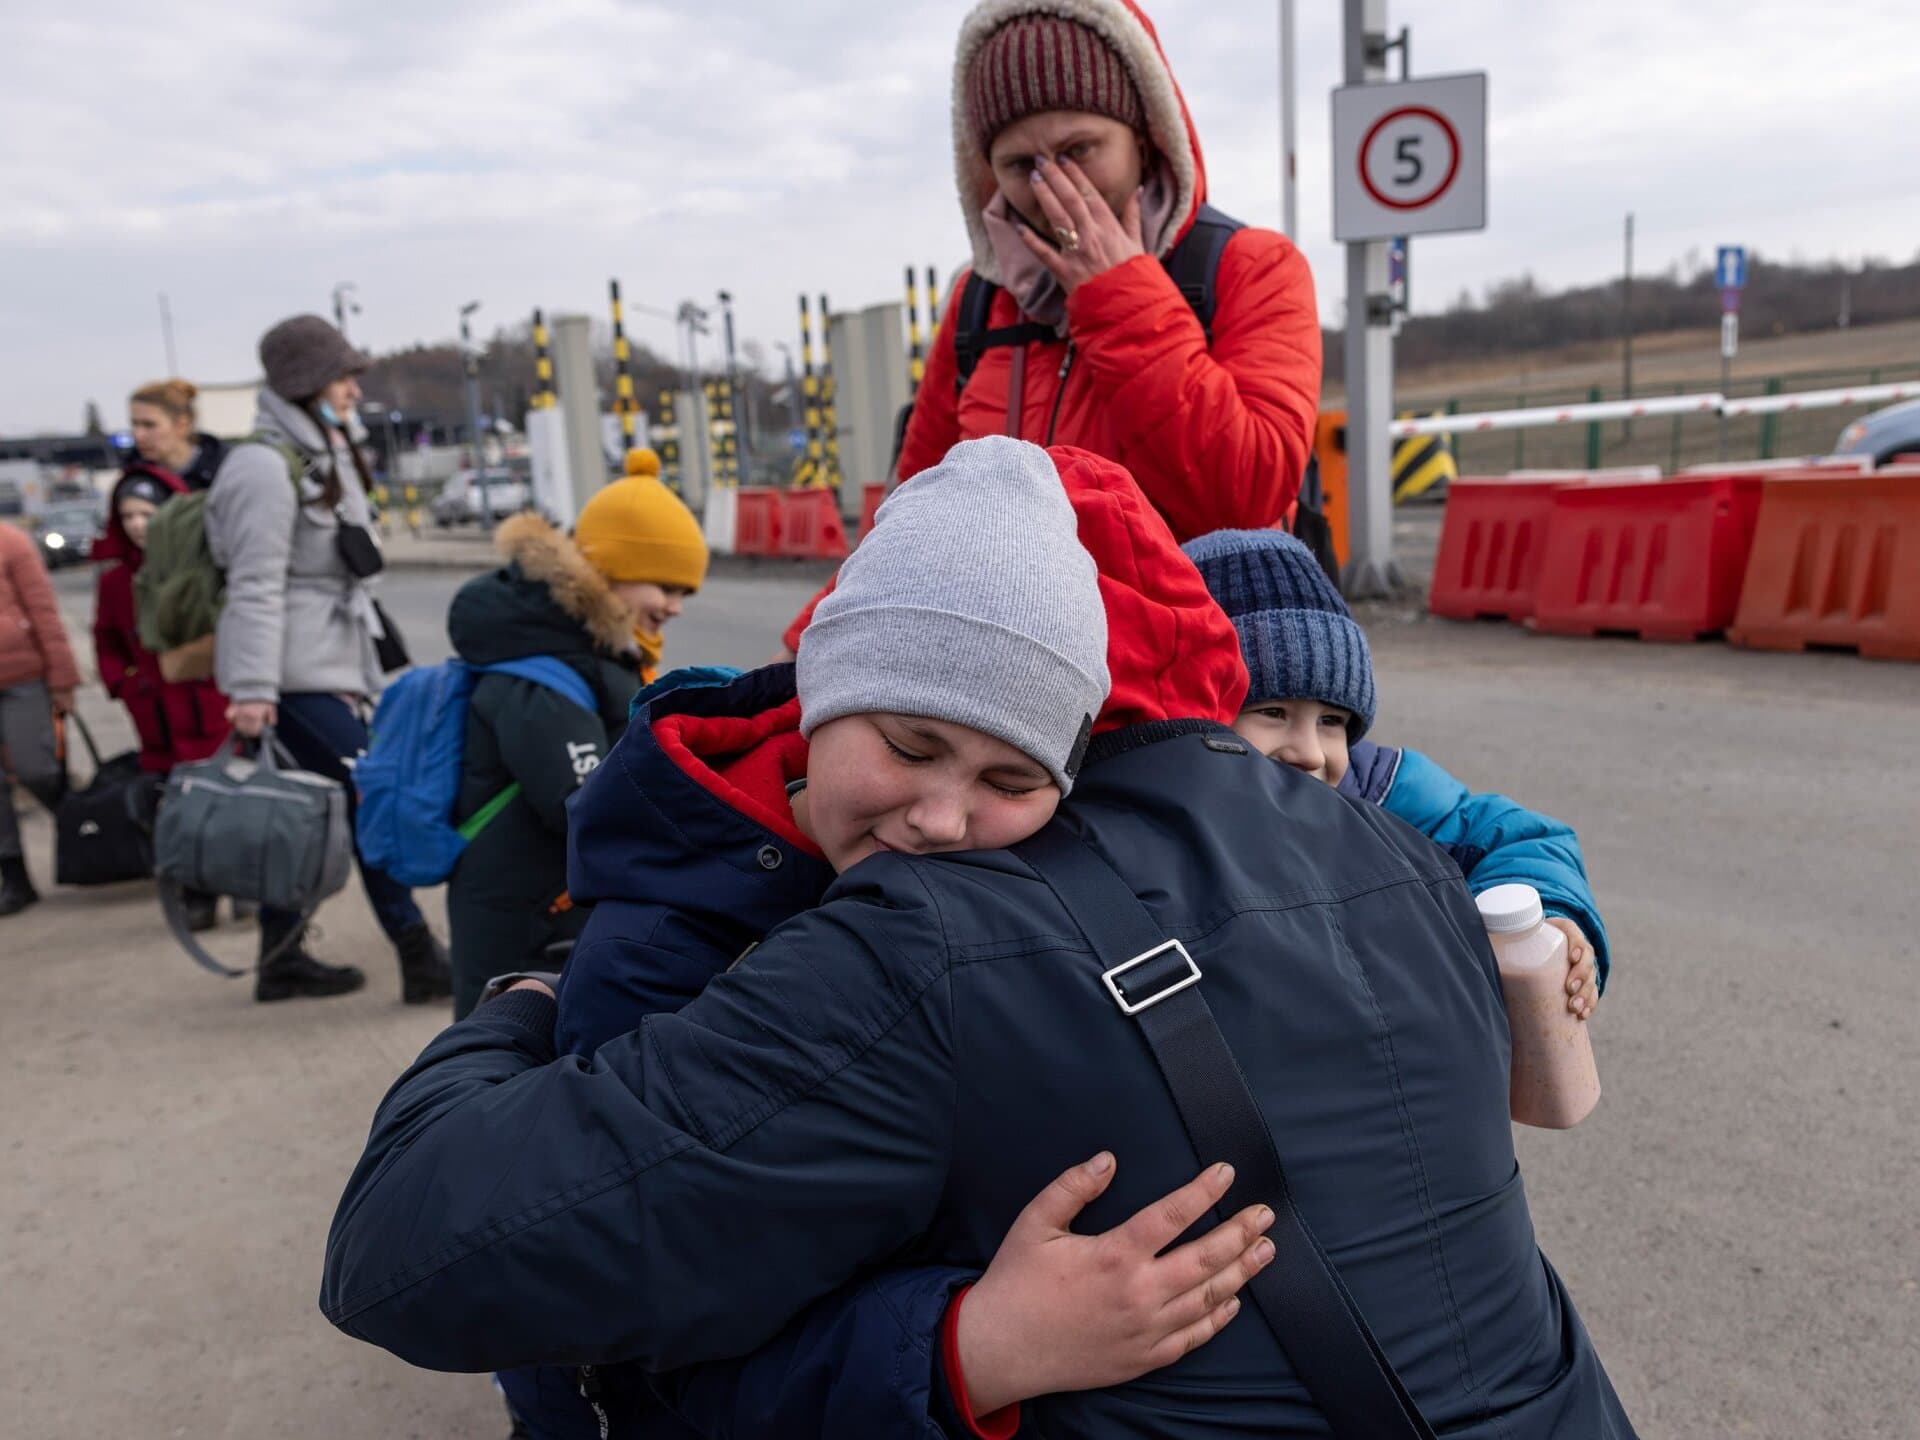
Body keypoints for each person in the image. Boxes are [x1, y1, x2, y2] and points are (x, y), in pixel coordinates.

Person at [322, 440, 1634, 1437]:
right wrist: (535, 1007)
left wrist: (957, 1350)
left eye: (1013, 777)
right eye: (906, 743)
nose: (942, 816)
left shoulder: (925, 943)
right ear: (824, 688)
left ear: (1082, 759)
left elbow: (434, 1267)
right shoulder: (1384, 855)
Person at [779, 0, 1322, 654]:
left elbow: (1245, 496)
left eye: (1078, 150)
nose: (1050, 189)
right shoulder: (980, 303)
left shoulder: (1250, 268)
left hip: (1202, 684)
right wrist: (803, 651)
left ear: (1145, 138)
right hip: (1017, 678)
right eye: (1019, 165)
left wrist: (1119, 295)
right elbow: (909, 522)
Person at [1183, 528, 1609, 1013]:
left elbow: (1514, 838)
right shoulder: (1166, 825)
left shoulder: (1377, 792)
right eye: (1272, 713)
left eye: (1331, 721)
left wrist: (1548, 915)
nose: (1310, 753)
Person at [206, 314, 451, 1004]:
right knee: (369, 797)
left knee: (314, 810)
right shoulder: (263, 465)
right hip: (288, 674)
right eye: (343, 376)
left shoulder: (324, 450)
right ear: (308, 382)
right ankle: (419, 955)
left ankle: (281, 959)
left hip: (327, 664)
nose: (353, 389)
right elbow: (253, 584)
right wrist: (254, 688)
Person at [445, 454, 707, 1020]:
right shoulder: (542, 668)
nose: (676, 606)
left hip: (551, 898)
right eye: (665, 585)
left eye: (685, 591)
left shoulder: (588, 650)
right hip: (523, 910)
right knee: (500, 1050)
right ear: (611, 567)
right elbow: (581, 800)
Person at [93, 382, 236, 931]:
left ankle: (239, 880)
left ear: (183, 423)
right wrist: (127, 682)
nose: (140, 436)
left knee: (226, 796)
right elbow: (106, 637)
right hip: (157, 705)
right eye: (135, 425)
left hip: (207, 692)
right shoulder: (118, 576)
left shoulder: (217, 479)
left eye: (149, 423)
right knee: (175, 806)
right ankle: (194, 891)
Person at [0, 520, 79, 916]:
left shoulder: (11, 542)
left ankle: (82, 833)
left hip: (23, 678)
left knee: (37, 768)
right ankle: (14, 877)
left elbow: (43, 611)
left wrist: (63, 677)